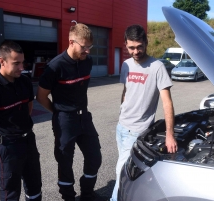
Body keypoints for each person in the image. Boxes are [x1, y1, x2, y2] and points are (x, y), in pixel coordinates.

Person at [110, 24, 178, 201]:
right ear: (125, 44)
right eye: (131, 47)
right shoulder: (125, 64)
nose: (136, 51)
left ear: (146, 43)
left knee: (121, 173)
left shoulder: (157, 67)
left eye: (139, 46)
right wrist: (122, 111)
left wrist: (170, 135)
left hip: (138, 130)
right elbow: (126, 90)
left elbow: (167, 103)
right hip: (121, 128)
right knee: (126, 169)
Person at [36, 23, 102, 201]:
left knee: (95, 157)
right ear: (71, 42)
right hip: (65, 120)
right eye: (84, 47)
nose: (87, 51)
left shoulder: (87, 61)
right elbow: (41, 97)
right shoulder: (55, 67)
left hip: (84, 117)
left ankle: (87, 194)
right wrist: (57, 112)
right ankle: (68, 198)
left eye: (90, 47)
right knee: (65, 162)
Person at [0, 40, 42, 200]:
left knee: (34, 185)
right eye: (16, 63)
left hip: (28, 141)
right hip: (7, 147)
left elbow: (28, 107)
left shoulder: (24, 82)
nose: (22, 67)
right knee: (10, 192)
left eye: (22, 62)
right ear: (1, 61)